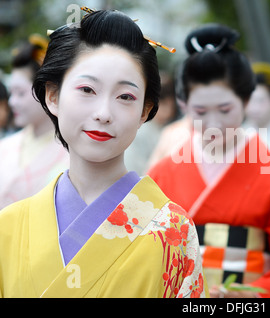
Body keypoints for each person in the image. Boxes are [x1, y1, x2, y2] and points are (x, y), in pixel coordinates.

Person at [0, 8, 206, 298]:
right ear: (53, 96)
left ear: (145, 111)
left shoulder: (173, 232)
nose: (104, 113)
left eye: (125, 97)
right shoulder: (8, 227)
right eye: (87, 89)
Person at [148, 24, 270, 298]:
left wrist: (257, 293)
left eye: (225, 109)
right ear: (183, 105)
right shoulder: (163, 173)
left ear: (246, 100)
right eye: (201, 111)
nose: (214, 124)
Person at [0, 34, 69, 209]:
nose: (12, 102)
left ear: (49, 91)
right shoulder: (6, 145)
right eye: (12, 93)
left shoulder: (71, 156)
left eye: (21, 93)